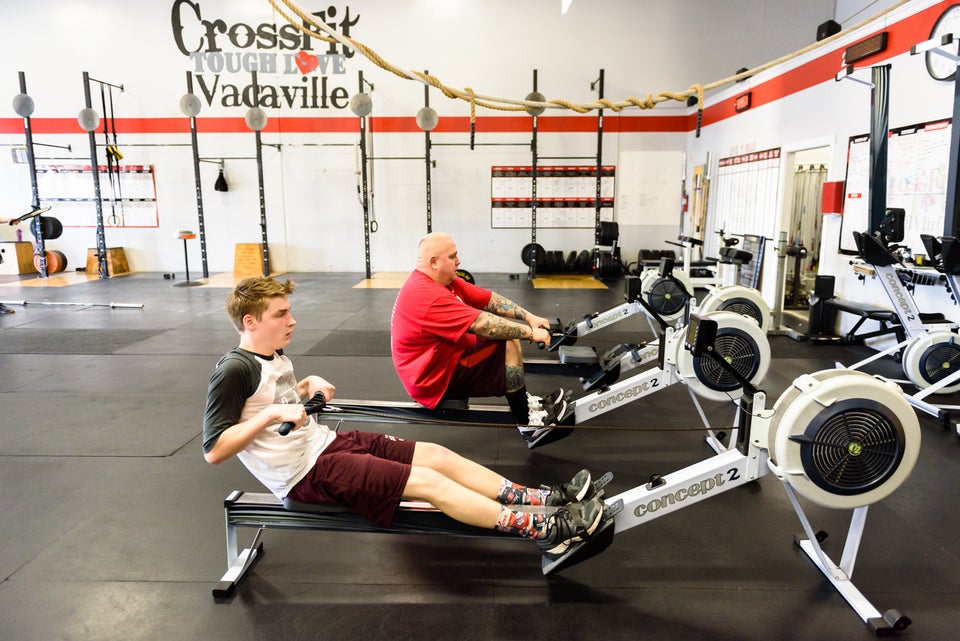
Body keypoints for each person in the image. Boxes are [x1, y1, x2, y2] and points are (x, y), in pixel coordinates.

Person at [202, 276, 607, 565]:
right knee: (428, 483)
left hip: (323, 444)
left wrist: (307, 385)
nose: (292, 321)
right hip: (304, 474)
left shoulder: (272, 353)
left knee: (436, 455)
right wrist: (273, 414)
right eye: (281, 314)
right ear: (250, 322)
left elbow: (273, 398)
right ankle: (544, 532)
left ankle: (539, 499)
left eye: (289, 312)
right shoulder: (234, 369)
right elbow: (214, 451)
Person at [391, 232, 572, 448]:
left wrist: (529, 317)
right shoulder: (426, 295)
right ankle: (527, 423)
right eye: (452, 256)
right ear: (434, 262)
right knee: (508, 341)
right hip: (432, 379)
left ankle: (524, 402)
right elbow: (485, 324)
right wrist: (531, 333)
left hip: (442, 358)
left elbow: (488, 299)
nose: (459, 261)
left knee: (505, 336)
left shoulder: (444, 281)